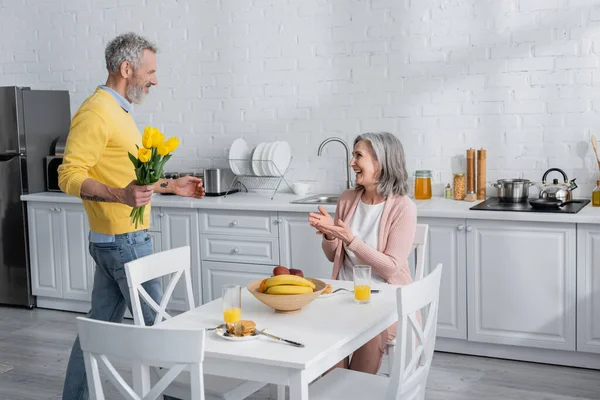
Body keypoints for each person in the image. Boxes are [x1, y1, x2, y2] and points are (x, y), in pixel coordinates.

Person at [58, 32, 205, 400]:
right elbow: (68, 174)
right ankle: (181, 394)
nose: (155, 80)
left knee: (97, 332)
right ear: (127, 68)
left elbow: (131, 180)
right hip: (123, 243)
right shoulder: (96, 112)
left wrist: (171, 186)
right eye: (150, 71)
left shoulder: (119, 111)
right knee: (160, 332)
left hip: (119, 241)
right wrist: (119, 195)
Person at [308, 132, 417, 374]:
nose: (351, 163)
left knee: (370, 329)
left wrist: (351, 239)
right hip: (344, 294)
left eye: (358, 156)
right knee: (321, 330)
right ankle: (336, 388)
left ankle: (355, 389)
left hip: (386, 300)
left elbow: (391, 267)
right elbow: (332, 256)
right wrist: (329, 235)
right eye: (353, 155)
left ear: (381, 162)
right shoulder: (348, 198)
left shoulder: (403, 207)